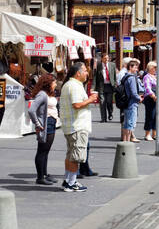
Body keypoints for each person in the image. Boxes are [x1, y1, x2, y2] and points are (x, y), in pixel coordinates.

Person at [59, 62, 98, 191]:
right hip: (77, 125)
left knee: (71, 155)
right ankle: (71, 182)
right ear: (78, 73)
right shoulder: (74, 86)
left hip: (71, 125)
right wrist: (91, 99)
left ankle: (68, 180)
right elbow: (77, 104)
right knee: (76, 156)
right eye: (85, 71)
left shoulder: (69, 84)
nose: (87, 73)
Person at [27, 73, 58, 185]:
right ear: (47, 83)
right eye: (54, 82)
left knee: (46, 151)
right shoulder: (42, 94)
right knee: (42, 151)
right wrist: (37, 123)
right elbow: (31, 110)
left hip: (51, 122)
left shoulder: (49, 94)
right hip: (46, 123)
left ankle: (44, 174)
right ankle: (40, 177)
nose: (55, 84)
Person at [119, 60, 140, 142]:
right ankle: (127, 142)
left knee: (126, 123)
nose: (136, 69)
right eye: (135, 67)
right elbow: (134, 93)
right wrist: (139, 98)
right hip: (131, 103)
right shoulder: (131, 78)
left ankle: (125, 142)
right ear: (130, 67)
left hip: (126, 102)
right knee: (130, 124)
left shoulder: (125, 76)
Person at [141, 63, 159, 141]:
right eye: (154, 67)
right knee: (150, 116)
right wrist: (153, 96)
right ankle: (147, 134)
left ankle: (154, 134)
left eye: (156, 67)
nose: (156, 69)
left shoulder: (156, 76)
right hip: (150, 98)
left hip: (158, 98)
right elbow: (147, 87)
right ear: (150, 68)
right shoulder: (147, 77)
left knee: (157, 117)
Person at [98, 54, 115, 123]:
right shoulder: (98, 66)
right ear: (102, 59)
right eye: (105, 58)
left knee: (109, 102)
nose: (107, 60)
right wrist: (93, 87)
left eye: (108, 58)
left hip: (110, 86)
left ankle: (110, 113)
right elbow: (95, 76)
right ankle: (103, 118)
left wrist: (115, 84)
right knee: (102, 102)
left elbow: (114, 76)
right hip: (102, 86)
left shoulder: (112, 65)